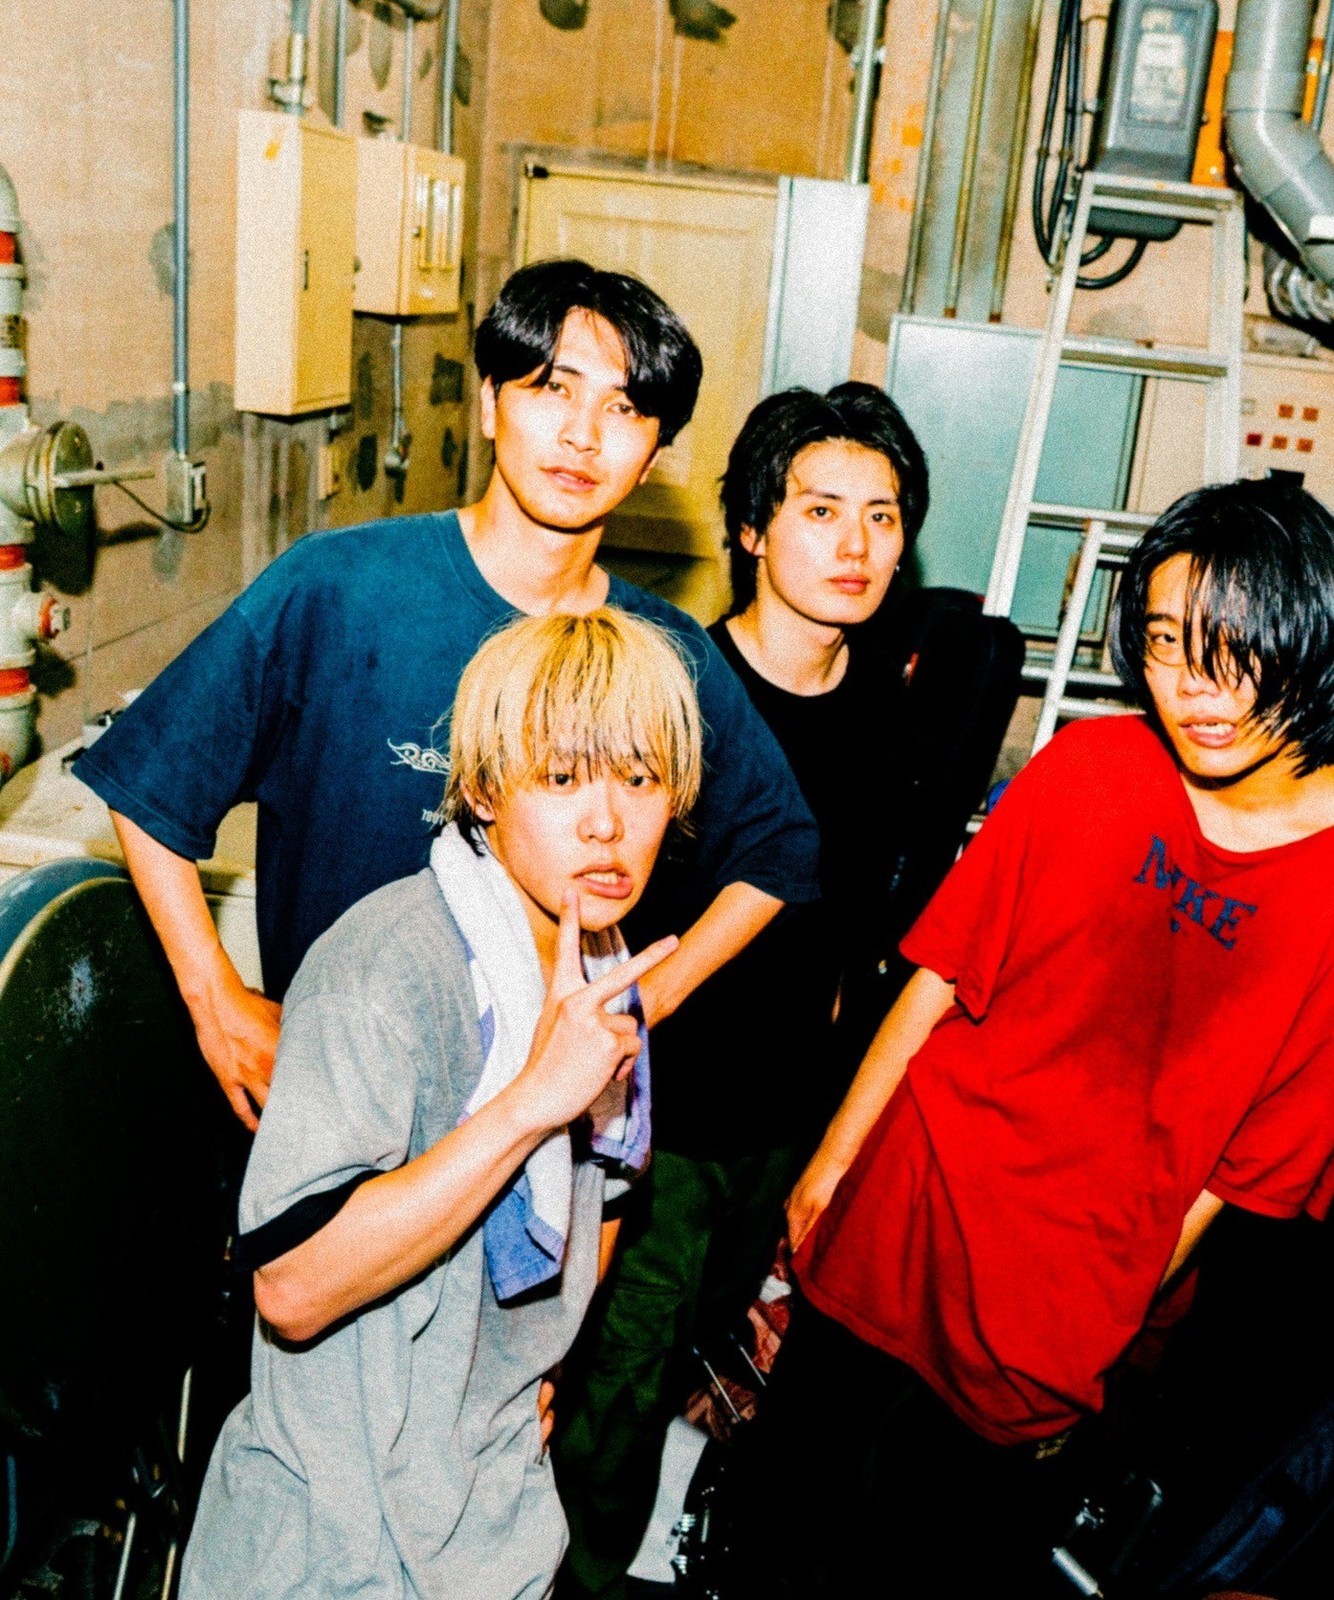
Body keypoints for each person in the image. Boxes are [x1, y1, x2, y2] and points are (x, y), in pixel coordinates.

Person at [729, 478, 1334, 1598]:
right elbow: (937, 980)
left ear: (1316, 640)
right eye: (1165, 640)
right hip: (903, 1197)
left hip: (1058, 1300)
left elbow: (1245, 1177)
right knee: (779, 1518)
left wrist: (1106, 1316)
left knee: (924, 1566)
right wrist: (828, 1169)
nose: (1194, 686)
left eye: (1235, 647)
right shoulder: (1091, 766)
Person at [75, 258, 818, 1133]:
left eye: (624, 409)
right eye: (553, 388)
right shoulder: (339, 590)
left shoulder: (663, 654)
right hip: (344, 1105)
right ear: (491, 402)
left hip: (547, 1119)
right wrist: (217, 1002)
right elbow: (150, 784)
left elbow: (780, 846)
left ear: (655, 454)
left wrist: (644, 1001)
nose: (583, 435)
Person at [177, 607, 702, 1599]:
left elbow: (611, 1191)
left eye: (639, 778)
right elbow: (290, 1289)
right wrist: (530, 1103)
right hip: (336, 1541)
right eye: (563, 778)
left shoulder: (604, 969)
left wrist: (543, 1368)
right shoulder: (385, 970)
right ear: (484, 790)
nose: (607, 821)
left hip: (495, 1518)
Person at [552, 384, 928, 1600]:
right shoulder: (673, 689)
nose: (855, 544)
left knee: (692, 1349)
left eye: (881, 516)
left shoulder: (890, 706)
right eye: (820, 510)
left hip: (782, 1119)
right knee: (616, 1378)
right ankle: (575, 1578)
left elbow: (859, 928)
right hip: (654, 1120)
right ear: (754, 530)